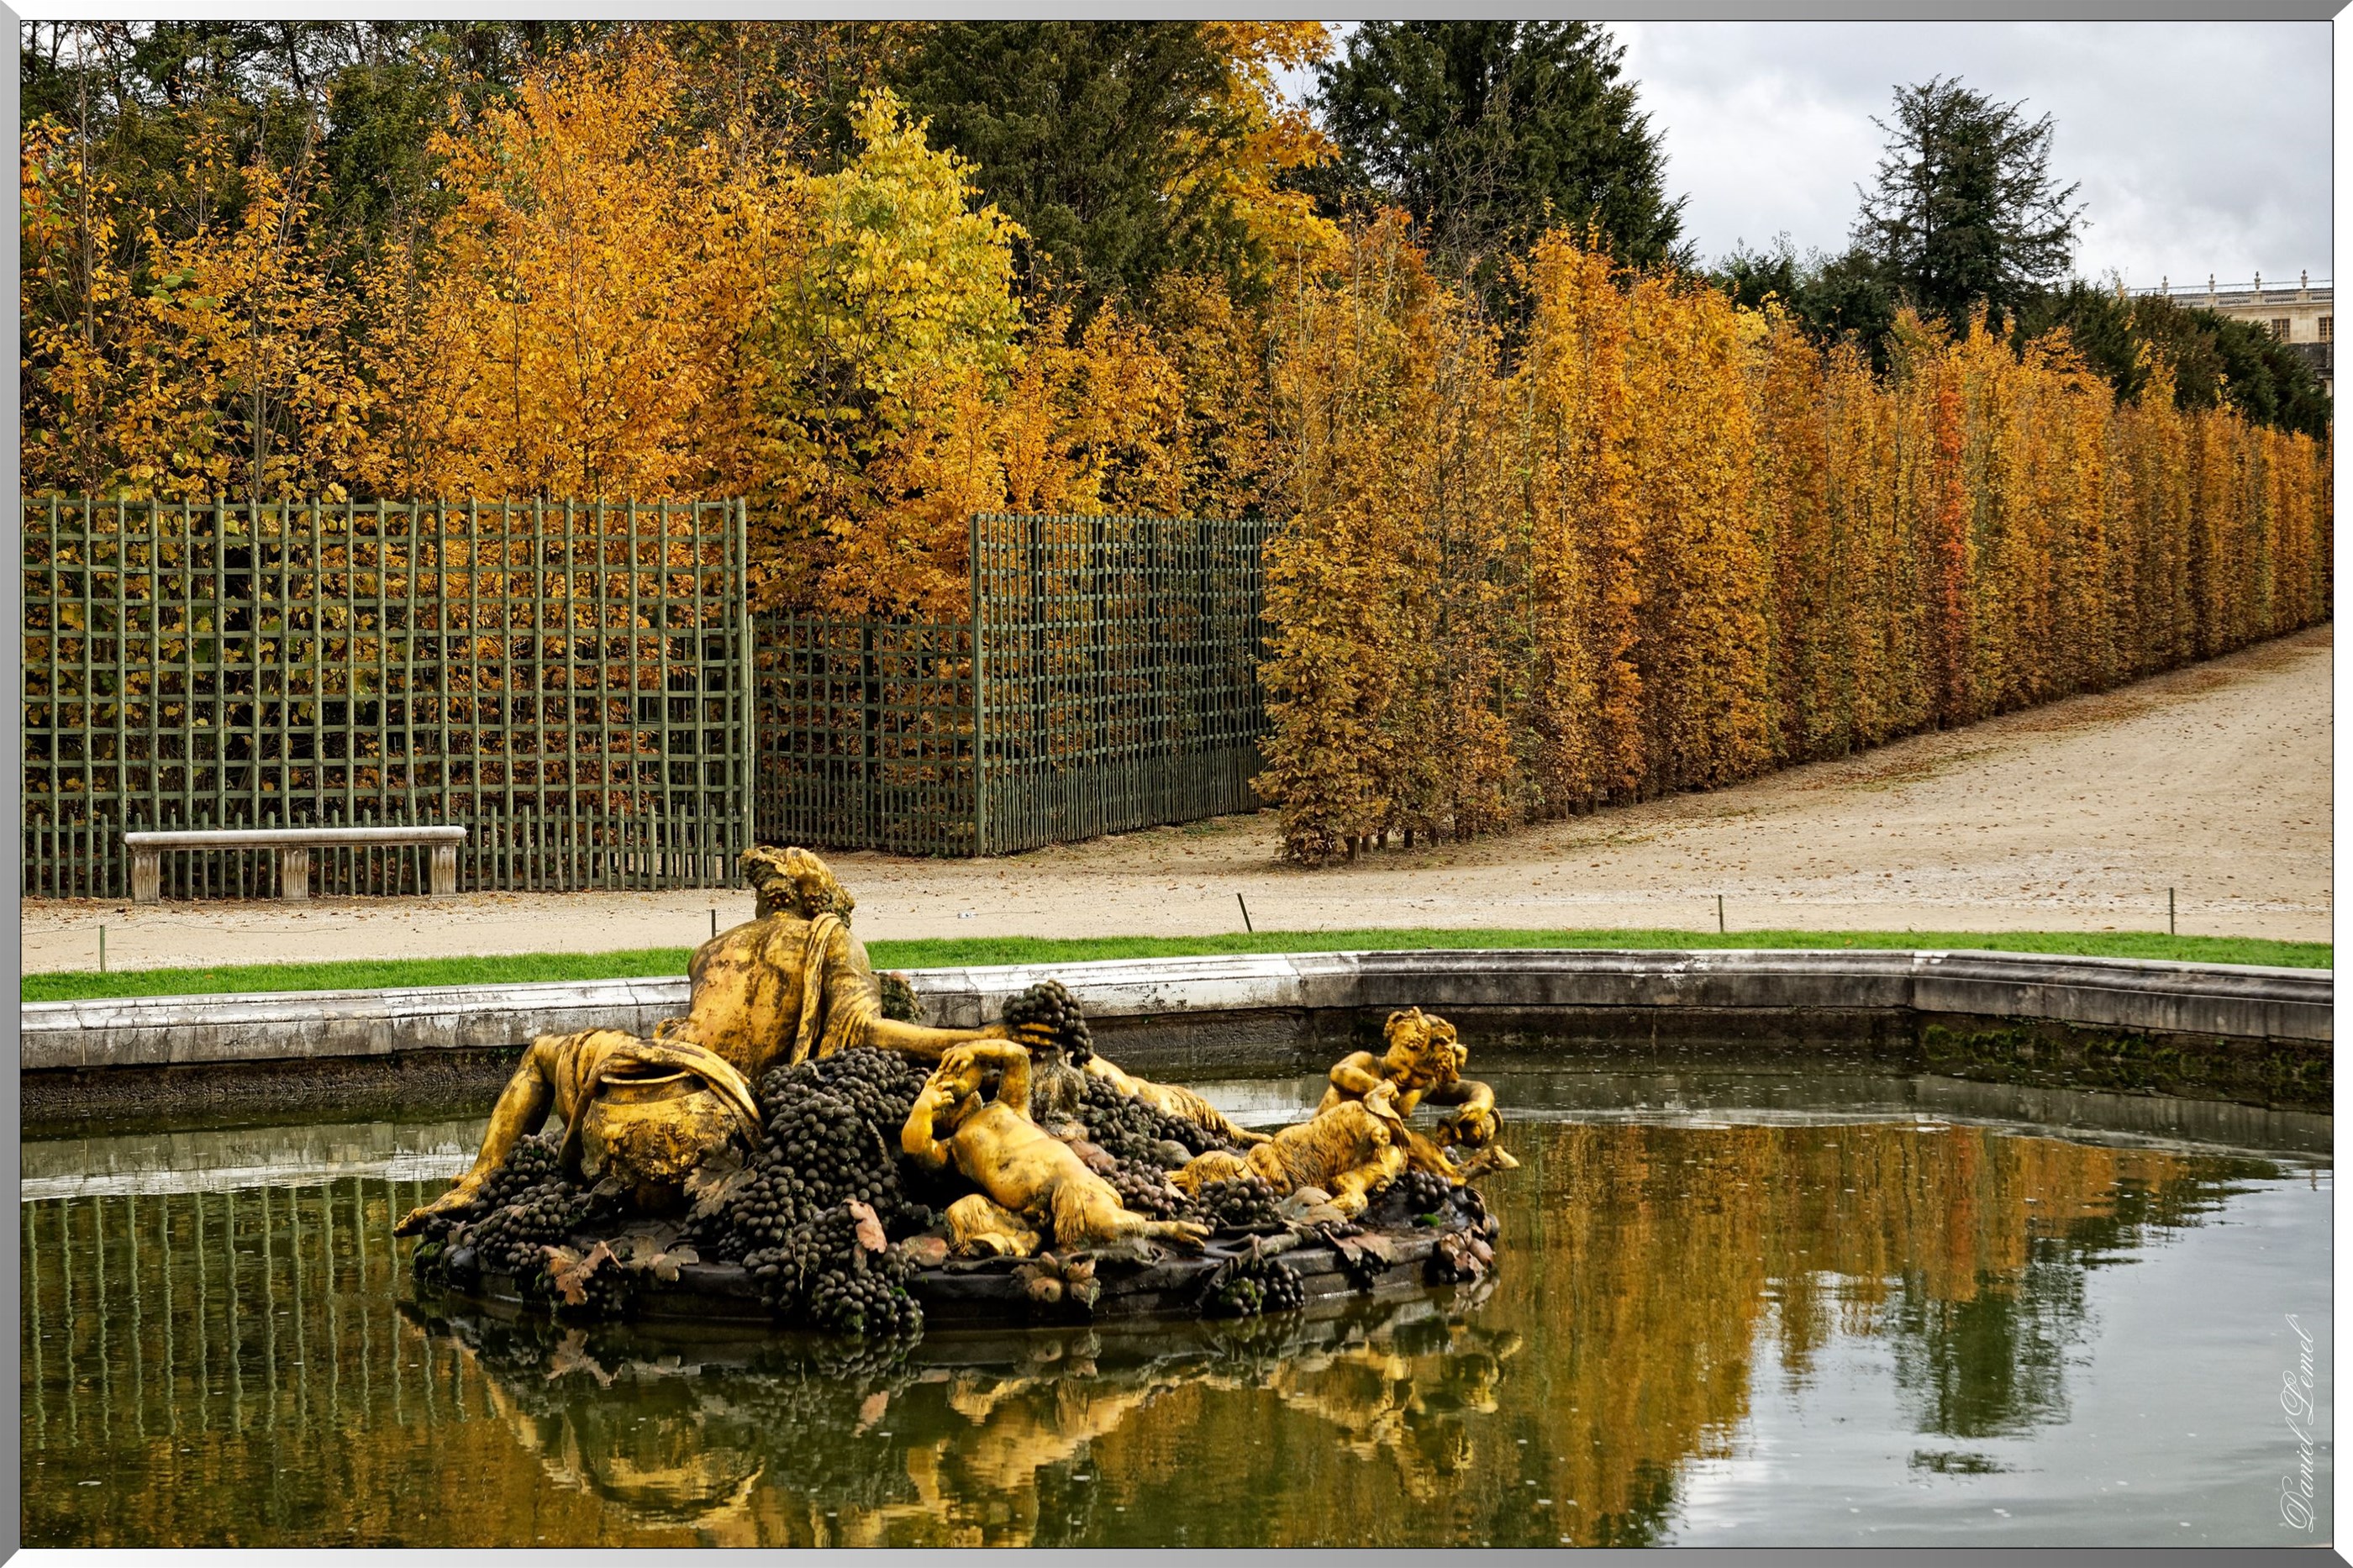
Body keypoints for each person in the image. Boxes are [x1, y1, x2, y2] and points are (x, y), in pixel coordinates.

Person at [901, 1042, 1209, 1257]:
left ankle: (1166, 1230)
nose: (952, 1097)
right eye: (946, 1101)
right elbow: (916, 1149)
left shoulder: (1008, 1105)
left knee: (1100, 1221)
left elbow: (1016, 1057)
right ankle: (1022, 1238)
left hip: (1065, 1180)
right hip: (1021, 1205)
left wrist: (976, 1049)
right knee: (961, 1214)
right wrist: (922, 1109)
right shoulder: (952, 1149)